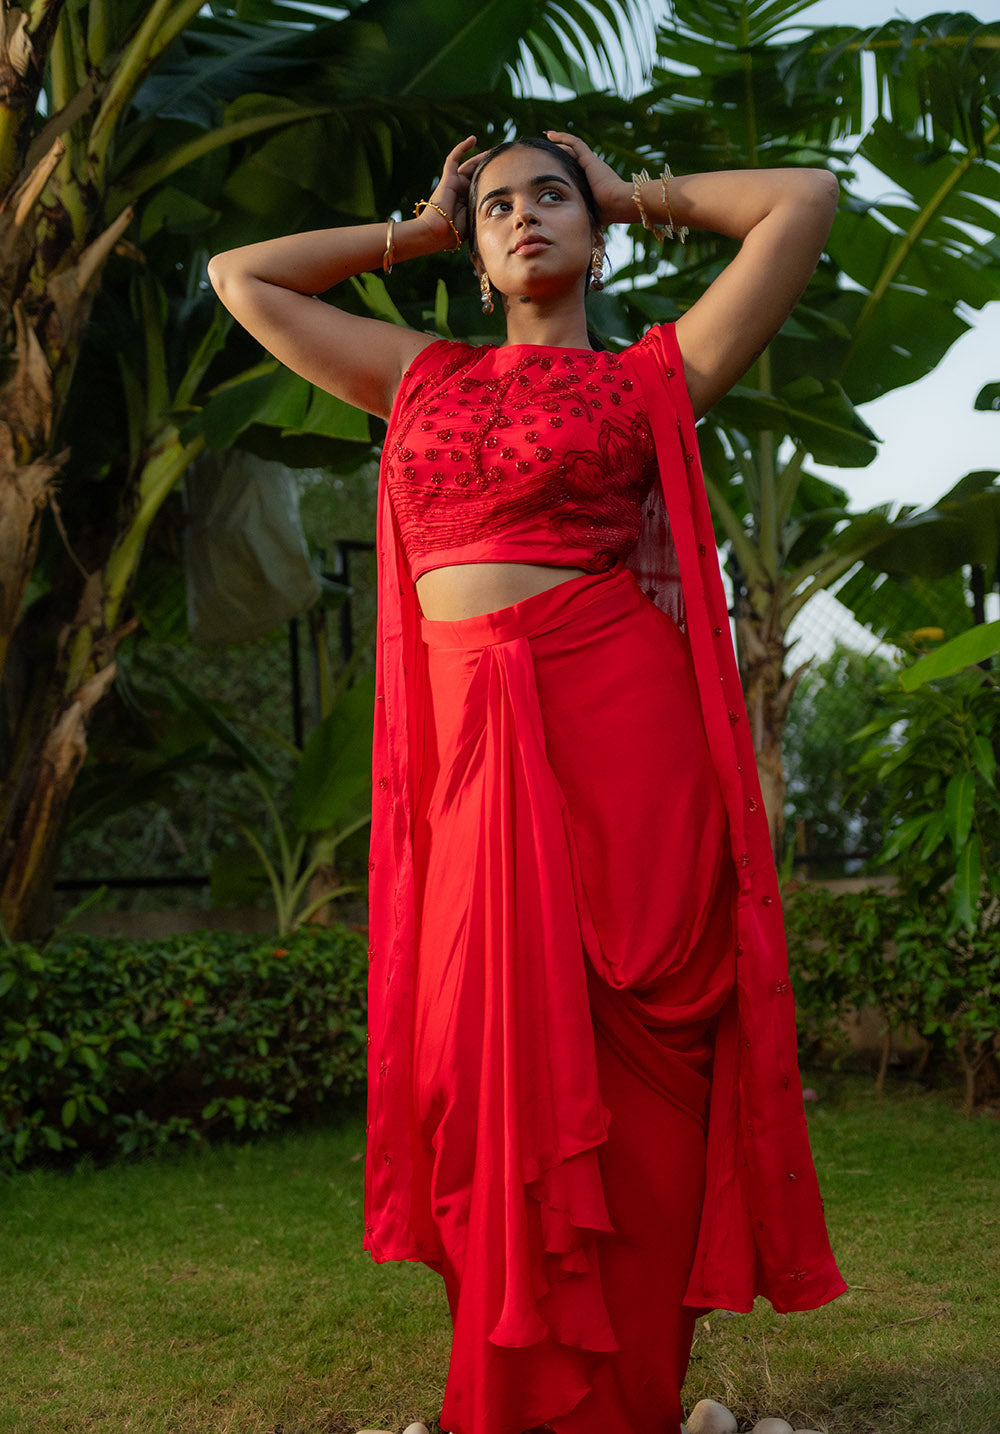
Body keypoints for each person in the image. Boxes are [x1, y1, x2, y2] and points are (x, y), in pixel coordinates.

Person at [208, 131, 847, 1434]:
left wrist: (630, 191)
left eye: (547, 196)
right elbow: (243, 278)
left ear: (594, 231)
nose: (522, 217)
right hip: (470, 757)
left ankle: (630, 1401)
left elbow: (803, 201)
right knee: (470, 1063)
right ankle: (504, 1395)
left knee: (642, 1046)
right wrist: (416, 231)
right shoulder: (419, 375)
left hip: (623, 727)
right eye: (496, 203)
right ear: (474, 235)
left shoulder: (647, 379)